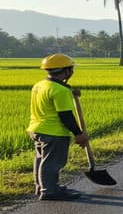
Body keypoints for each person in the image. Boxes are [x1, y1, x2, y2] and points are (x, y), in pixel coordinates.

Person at [27, 54, 89, 200]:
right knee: (52, 162)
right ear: (66, 71)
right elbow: (66, 115)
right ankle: (49, 191)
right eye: (71, 68)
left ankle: (41, 185)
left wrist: (70, 91)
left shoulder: (40, 84)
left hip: (36, 128)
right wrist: (78, 134)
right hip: (54, 132)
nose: (72, 71)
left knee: (41, 159)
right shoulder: (60, 91)